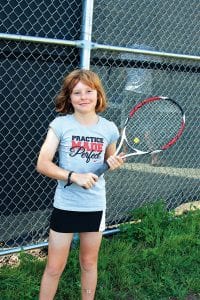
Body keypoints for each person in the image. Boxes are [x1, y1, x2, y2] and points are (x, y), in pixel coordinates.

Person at [36, 69, 124, 300]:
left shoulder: (109, 128)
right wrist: (74, 176)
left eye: (89, 91)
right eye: (77, 92)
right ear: (69, 97)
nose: (83, 96)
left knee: (88, 262)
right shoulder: (61, 125)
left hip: (93, 205)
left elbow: (108, 161)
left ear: (98, 95)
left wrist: (112, 164)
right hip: (66, 204)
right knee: (54, 267)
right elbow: (43, 164)